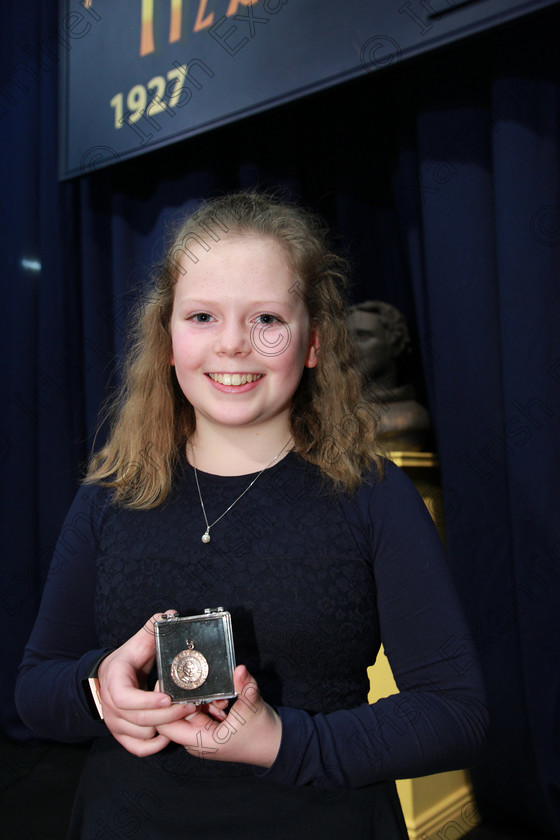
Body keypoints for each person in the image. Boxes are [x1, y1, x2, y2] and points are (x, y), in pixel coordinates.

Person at [16, 191, 488, 840]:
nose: (234, 345)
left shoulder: (375, 495)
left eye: (267, 318)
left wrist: (282, 743)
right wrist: (100, 690)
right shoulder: (110, 492)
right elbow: (36, 689)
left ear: (314, 342)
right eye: (203, 316)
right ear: (168, 338)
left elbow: (455, 714)